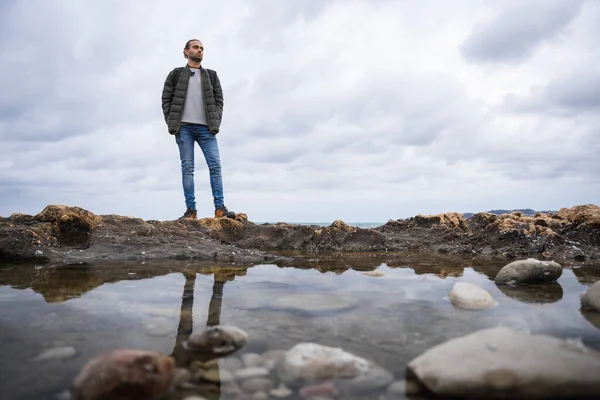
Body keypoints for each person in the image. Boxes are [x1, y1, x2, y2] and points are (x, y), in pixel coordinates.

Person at [161, 39, 236, 220]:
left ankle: (220, 209)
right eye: (195, 47)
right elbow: (166, 99)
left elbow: (219, 100)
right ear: (186, 51)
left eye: (202, 48)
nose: (199, 50)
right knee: (188, 168)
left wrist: (216, 120)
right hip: (183, 128)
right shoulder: (176, 74)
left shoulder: (211, 75)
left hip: (207, 129)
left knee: (215, 166)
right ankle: (191, 211)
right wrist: (172, 123)